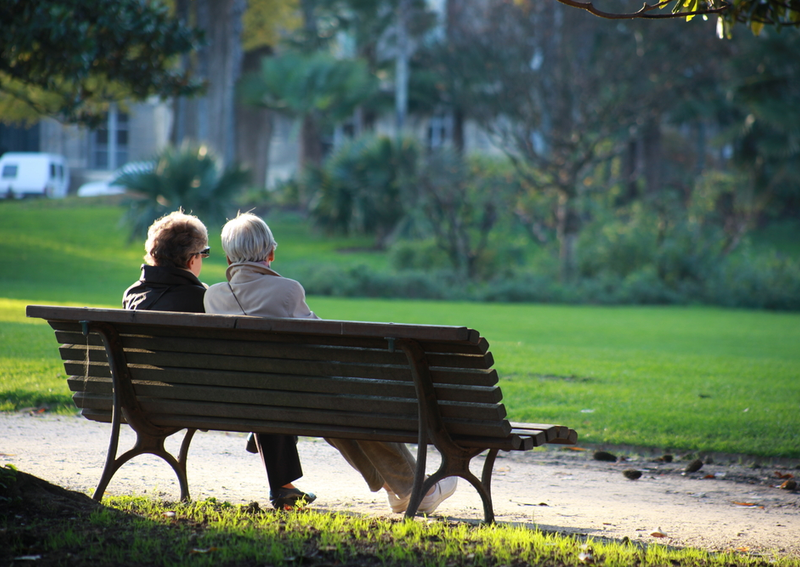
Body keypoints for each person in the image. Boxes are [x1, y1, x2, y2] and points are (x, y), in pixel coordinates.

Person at [204, 212, 458, 515]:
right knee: (349, 405)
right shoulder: (287, 289)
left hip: (244, 401)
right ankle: (417, 488)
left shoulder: (213, 297)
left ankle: (400, 488)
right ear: (270, 252)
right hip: (296, 400)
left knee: (339, 409)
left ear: (229, 256)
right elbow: (324, 344)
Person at [122, 210, 315, 510]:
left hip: (139, 398)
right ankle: (282, 484)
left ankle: (282, 480)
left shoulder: (131, 296)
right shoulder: (199, 299)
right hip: (201, 400)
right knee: (266, 386)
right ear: (191, 260)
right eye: (204, 253)